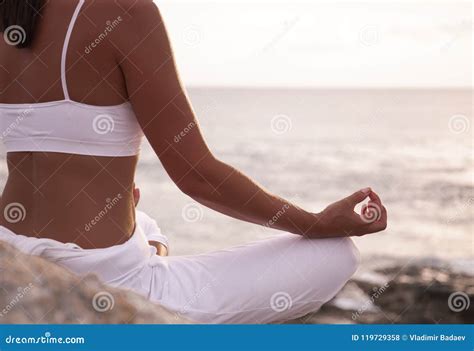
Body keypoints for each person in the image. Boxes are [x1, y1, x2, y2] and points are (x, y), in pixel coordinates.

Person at [0, 0, 387, 323]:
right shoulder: (125, 12)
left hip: (12, 247)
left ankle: (151, 250)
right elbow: (196, 175)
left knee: (147, 222)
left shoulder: (10, 15)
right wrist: (315, 223)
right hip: (112, 278)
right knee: (336, 255)